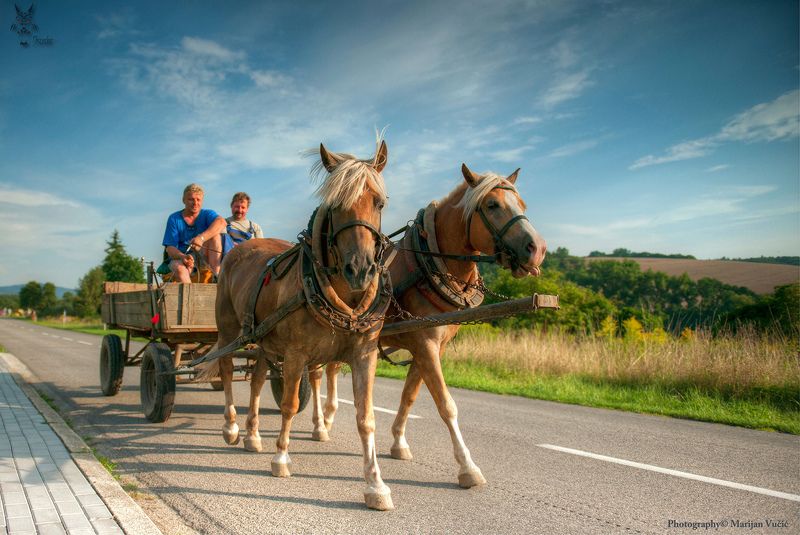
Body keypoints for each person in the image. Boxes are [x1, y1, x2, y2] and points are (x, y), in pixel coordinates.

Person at [162, 183, 227, 283]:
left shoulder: (207, 214)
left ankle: (216, 276)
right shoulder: (174, 218)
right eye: (191, 199)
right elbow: (170, 248)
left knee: (216, 236)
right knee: (180, 269)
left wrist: (201, 238)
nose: (195, 203)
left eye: (198, 200)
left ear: (202, 201)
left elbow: (222, 222)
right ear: (183, 200)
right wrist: (183, 257)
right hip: (181, 257)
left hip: (203, 257)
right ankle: (191, 296)